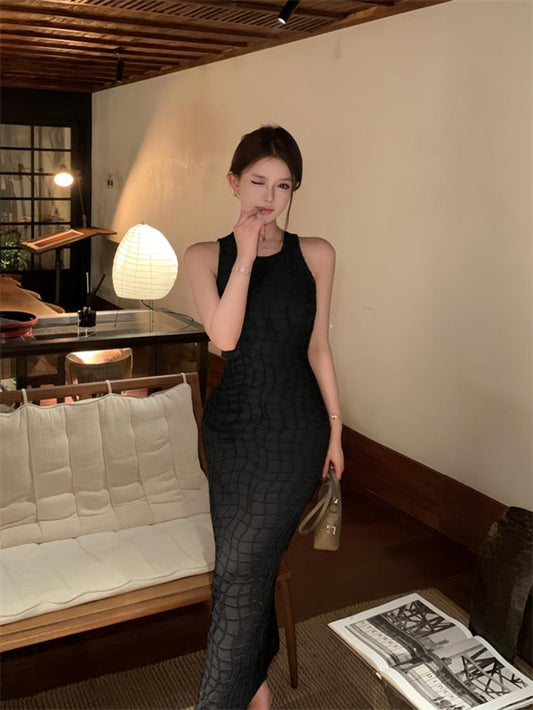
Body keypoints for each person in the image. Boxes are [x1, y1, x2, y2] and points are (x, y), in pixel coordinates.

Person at [185, 124, 344, 710]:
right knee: (244, 566)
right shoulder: (204, 256)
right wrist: (246, 255)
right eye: (258, 182)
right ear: (234, 182)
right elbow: (225, 339)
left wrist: (336, 430)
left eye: (283, 186)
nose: (269, 197)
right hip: (231, 432)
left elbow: (318, 348)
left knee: (238, 570)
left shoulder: (317, 254)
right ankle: (255, 688)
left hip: (296, 430)